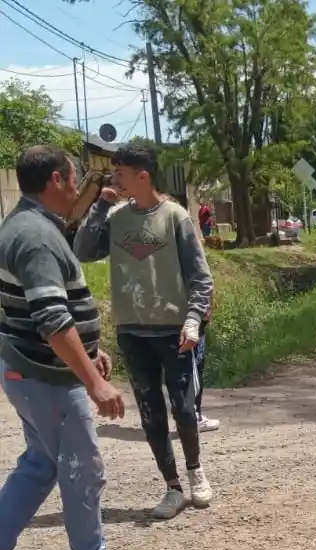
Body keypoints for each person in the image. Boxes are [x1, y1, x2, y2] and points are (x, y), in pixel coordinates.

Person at [0, 145, 140, 550]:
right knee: (83, 466)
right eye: (74, 177)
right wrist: (93, 381)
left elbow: (49, 316)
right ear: (56, 180)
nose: (79, 187)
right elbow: (52, 320)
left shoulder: (25, 226)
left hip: (31, 371)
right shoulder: (37, 237)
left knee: (41, 464)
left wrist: (90, 351)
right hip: (48, 377)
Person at [74, 143, 216, 520]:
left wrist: (193, 319)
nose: (114, 177)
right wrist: (100, 205)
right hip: (132, 332)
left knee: (184, 407)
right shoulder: (116, 217)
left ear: (143, 175)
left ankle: (195, 472)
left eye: (120, 172)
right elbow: (84, 250)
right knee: (151, 413)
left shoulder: (175, 217)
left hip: (174, 331)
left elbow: (201, 277)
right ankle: (172, 488)